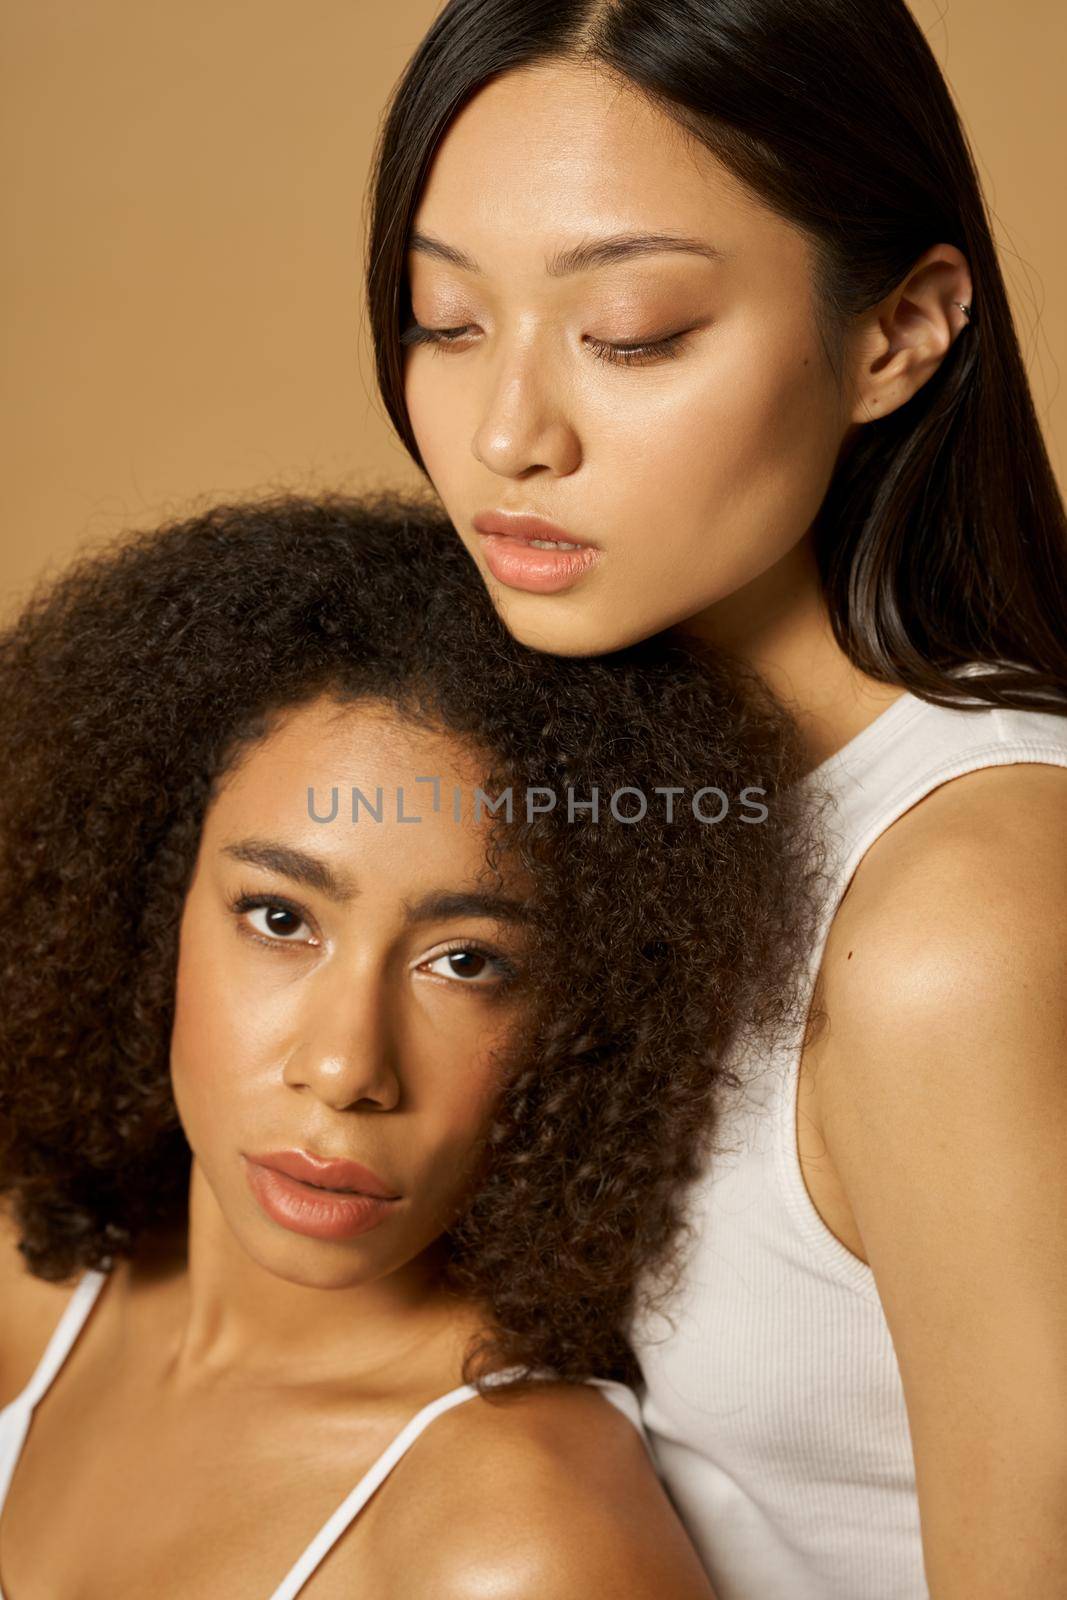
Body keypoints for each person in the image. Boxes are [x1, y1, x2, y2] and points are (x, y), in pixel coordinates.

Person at [364, 3, 1067, 1596]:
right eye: (443, 320)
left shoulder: (963, 907)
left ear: (895, 332)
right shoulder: (614, 800)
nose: (505, 437)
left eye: (627, 333)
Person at [0, 493, 819, 1598]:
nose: (345, 1069)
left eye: (467, 962)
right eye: (281, 918)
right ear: (150, 904)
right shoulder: (30, 1294)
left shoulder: (517, 1539)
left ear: (588, 1022)